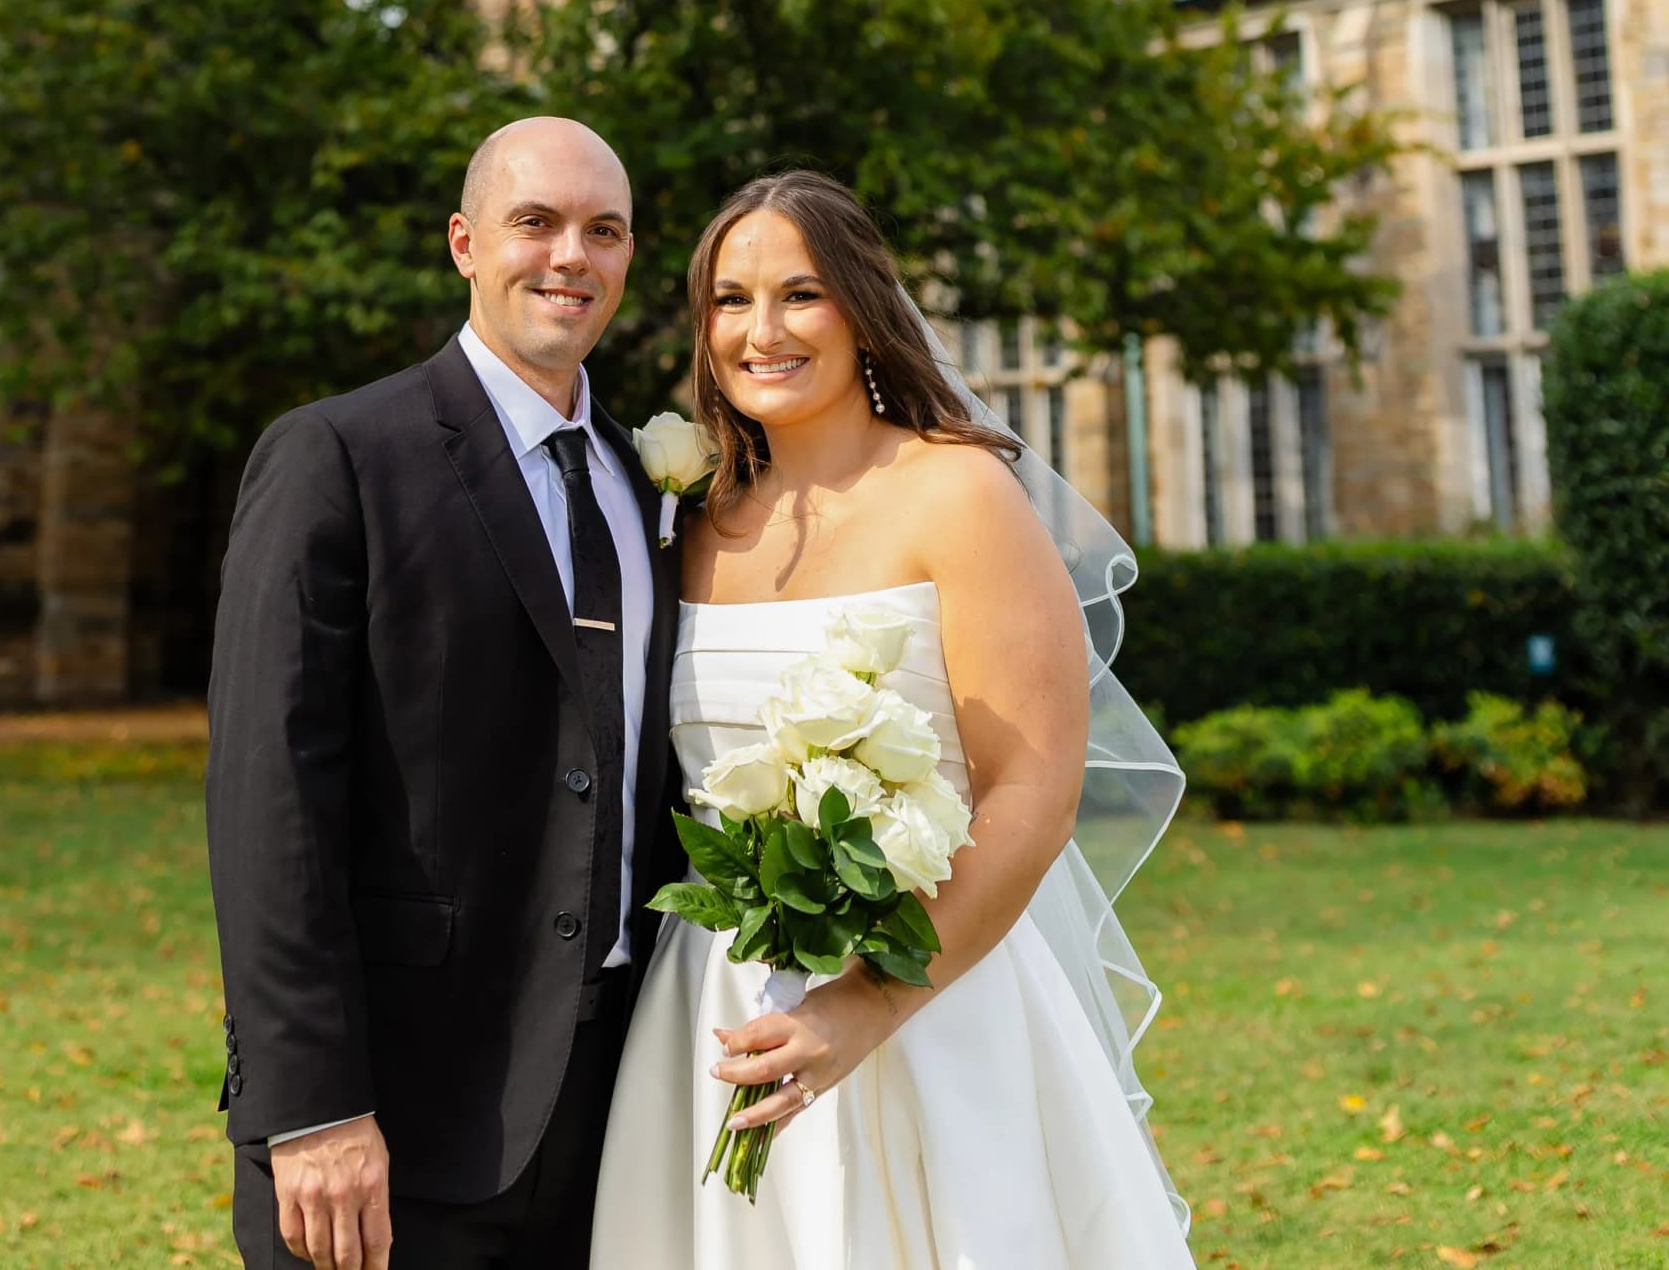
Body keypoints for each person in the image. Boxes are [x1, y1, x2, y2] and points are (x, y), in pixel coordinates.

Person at [590, 169, 1196, 1270]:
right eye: (730, 300)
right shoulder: (689, 524)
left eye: (799, 295)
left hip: (929, 993)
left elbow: (1034, 787)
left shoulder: (957, 496)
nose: (760, 330)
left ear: (864, 308)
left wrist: (862, 1007)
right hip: (715, 1008)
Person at [206, 115, 680, 1270]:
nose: (571, 257)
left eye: (602, 232)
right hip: (395, 1111)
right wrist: (311, 1104)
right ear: (466, 244)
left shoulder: (650, 483)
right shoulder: (338, 458)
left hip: (620, 1101)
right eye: (537, 223)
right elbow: (269, 800)